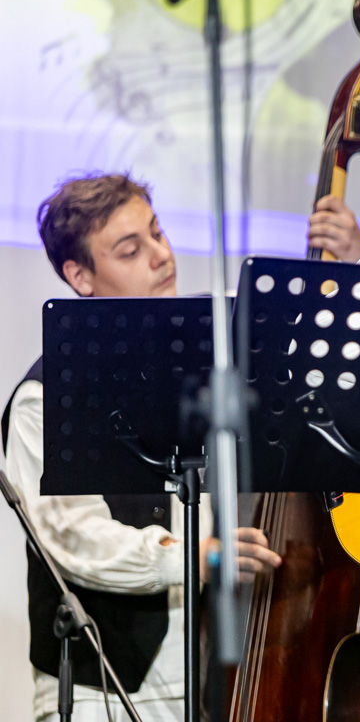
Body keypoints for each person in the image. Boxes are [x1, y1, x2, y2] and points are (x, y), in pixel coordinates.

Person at [1, 174, 281, 722]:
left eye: (157, 232)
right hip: (100, 689)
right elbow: (71, 537)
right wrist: (194, 557)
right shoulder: (46, 395)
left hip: (208, 681)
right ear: (79, 276)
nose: (161, 256)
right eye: (130, 250)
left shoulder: (202, 373)